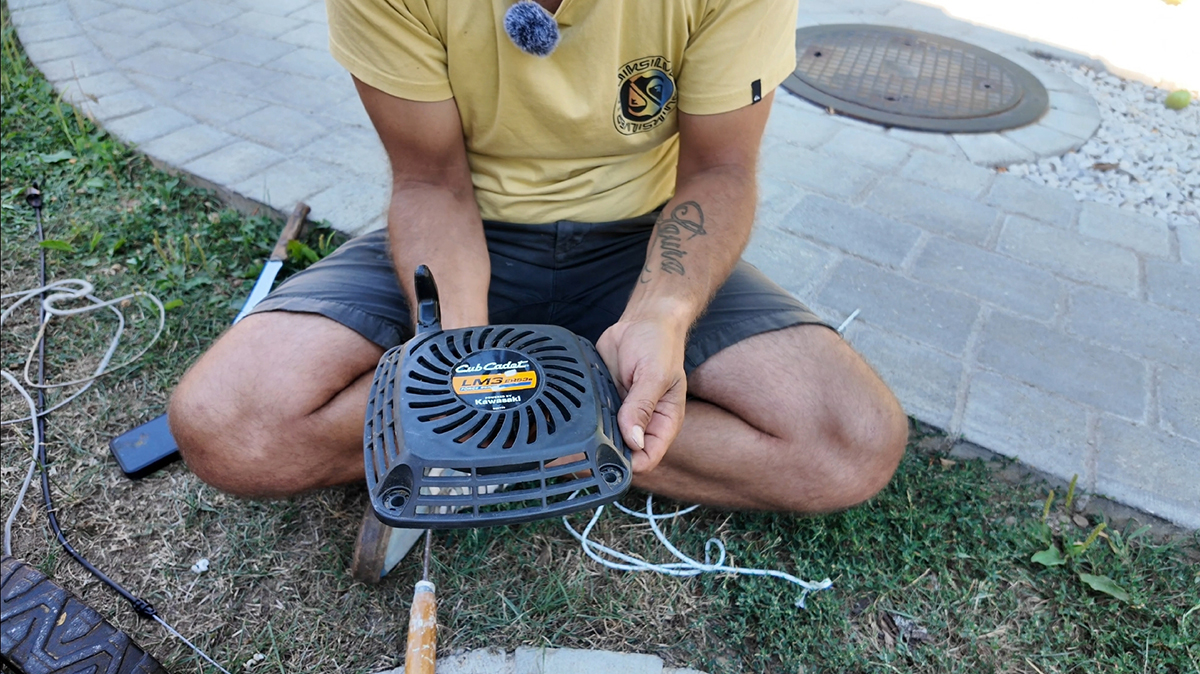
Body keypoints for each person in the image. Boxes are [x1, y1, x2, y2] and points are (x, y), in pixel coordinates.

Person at [169, 0, 908, 575]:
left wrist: (662, 316)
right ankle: (560, 435)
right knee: (228, 424)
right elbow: (430, 179)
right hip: (468, 227)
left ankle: (499, 452)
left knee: (851, 442)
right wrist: (459, 372)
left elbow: (720, 172)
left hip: (641, 244)